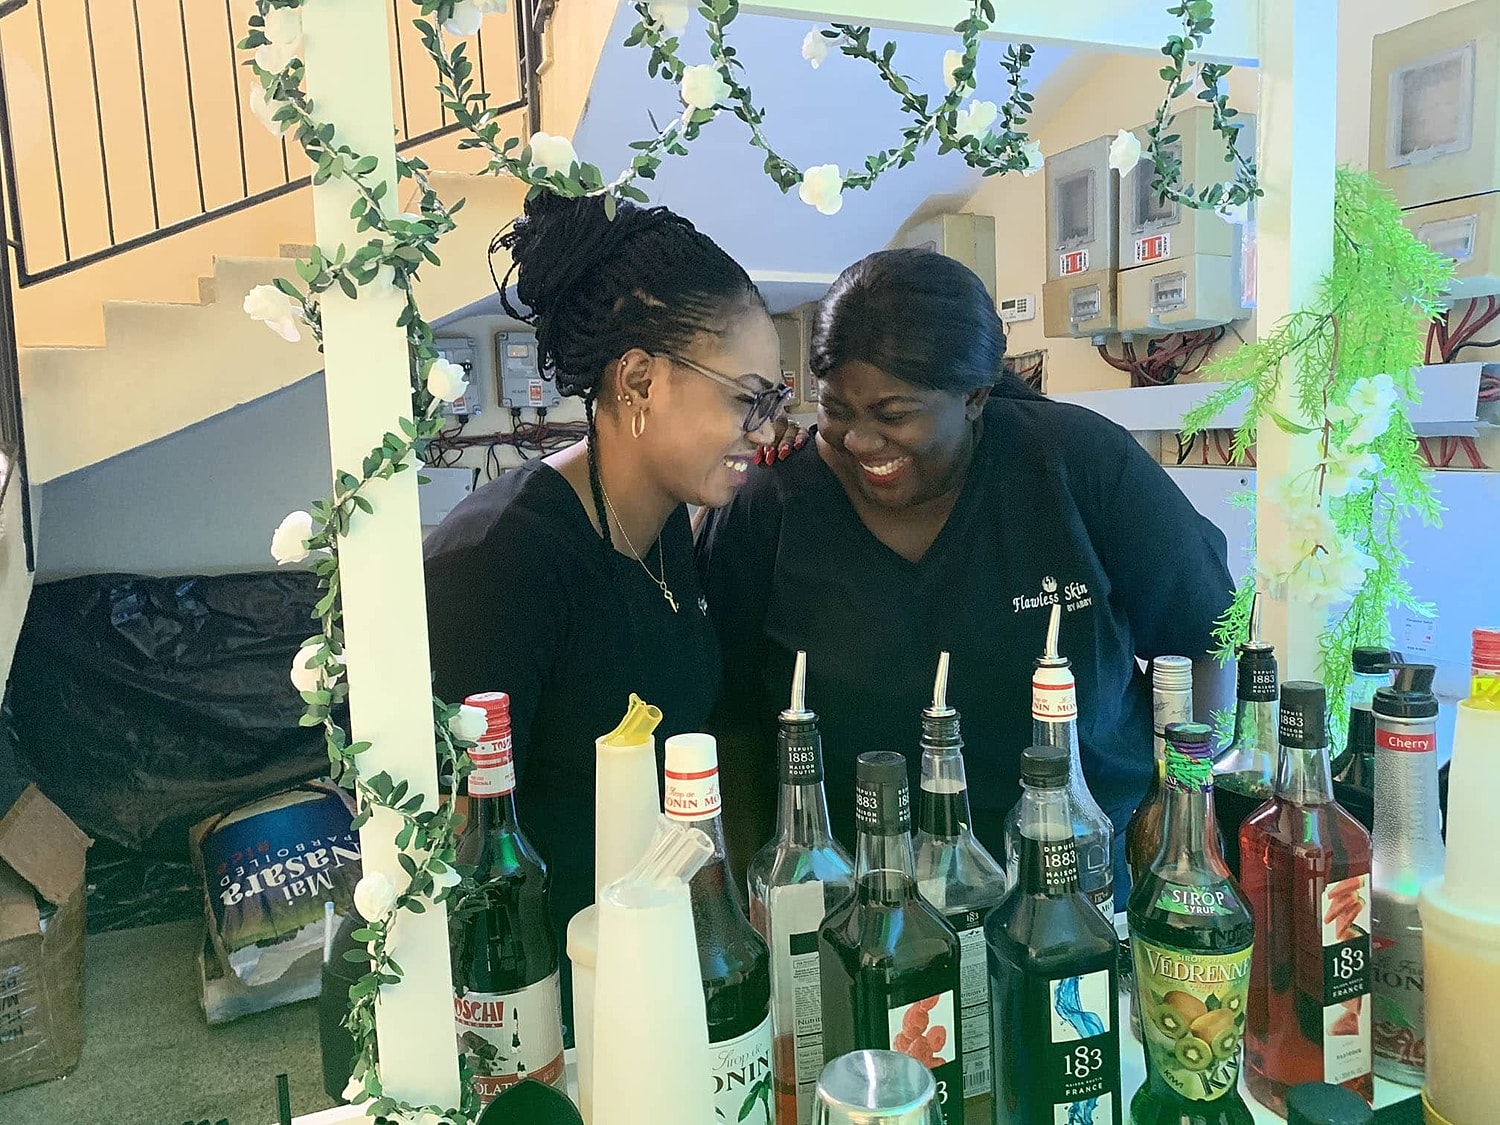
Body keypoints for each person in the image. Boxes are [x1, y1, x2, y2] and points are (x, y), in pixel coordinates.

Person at [696, 248, 1234, 901]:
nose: (860, 440)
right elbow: (735, 718)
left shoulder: (1076, 464)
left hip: (1085, 885)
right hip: (866, 904)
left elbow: (1207, 639)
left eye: (893, 414)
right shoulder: (774, 503)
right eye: (838, 408)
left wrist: (1182, 811)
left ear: (975, 397)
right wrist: (766, 897)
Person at [423, 192, 785, 1029]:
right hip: (542, 1014)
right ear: (639, 381)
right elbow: (446, 856)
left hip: (647, 977)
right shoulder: (500, 563)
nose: (765, 431)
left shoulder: (664, 530)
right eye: (747, 397)